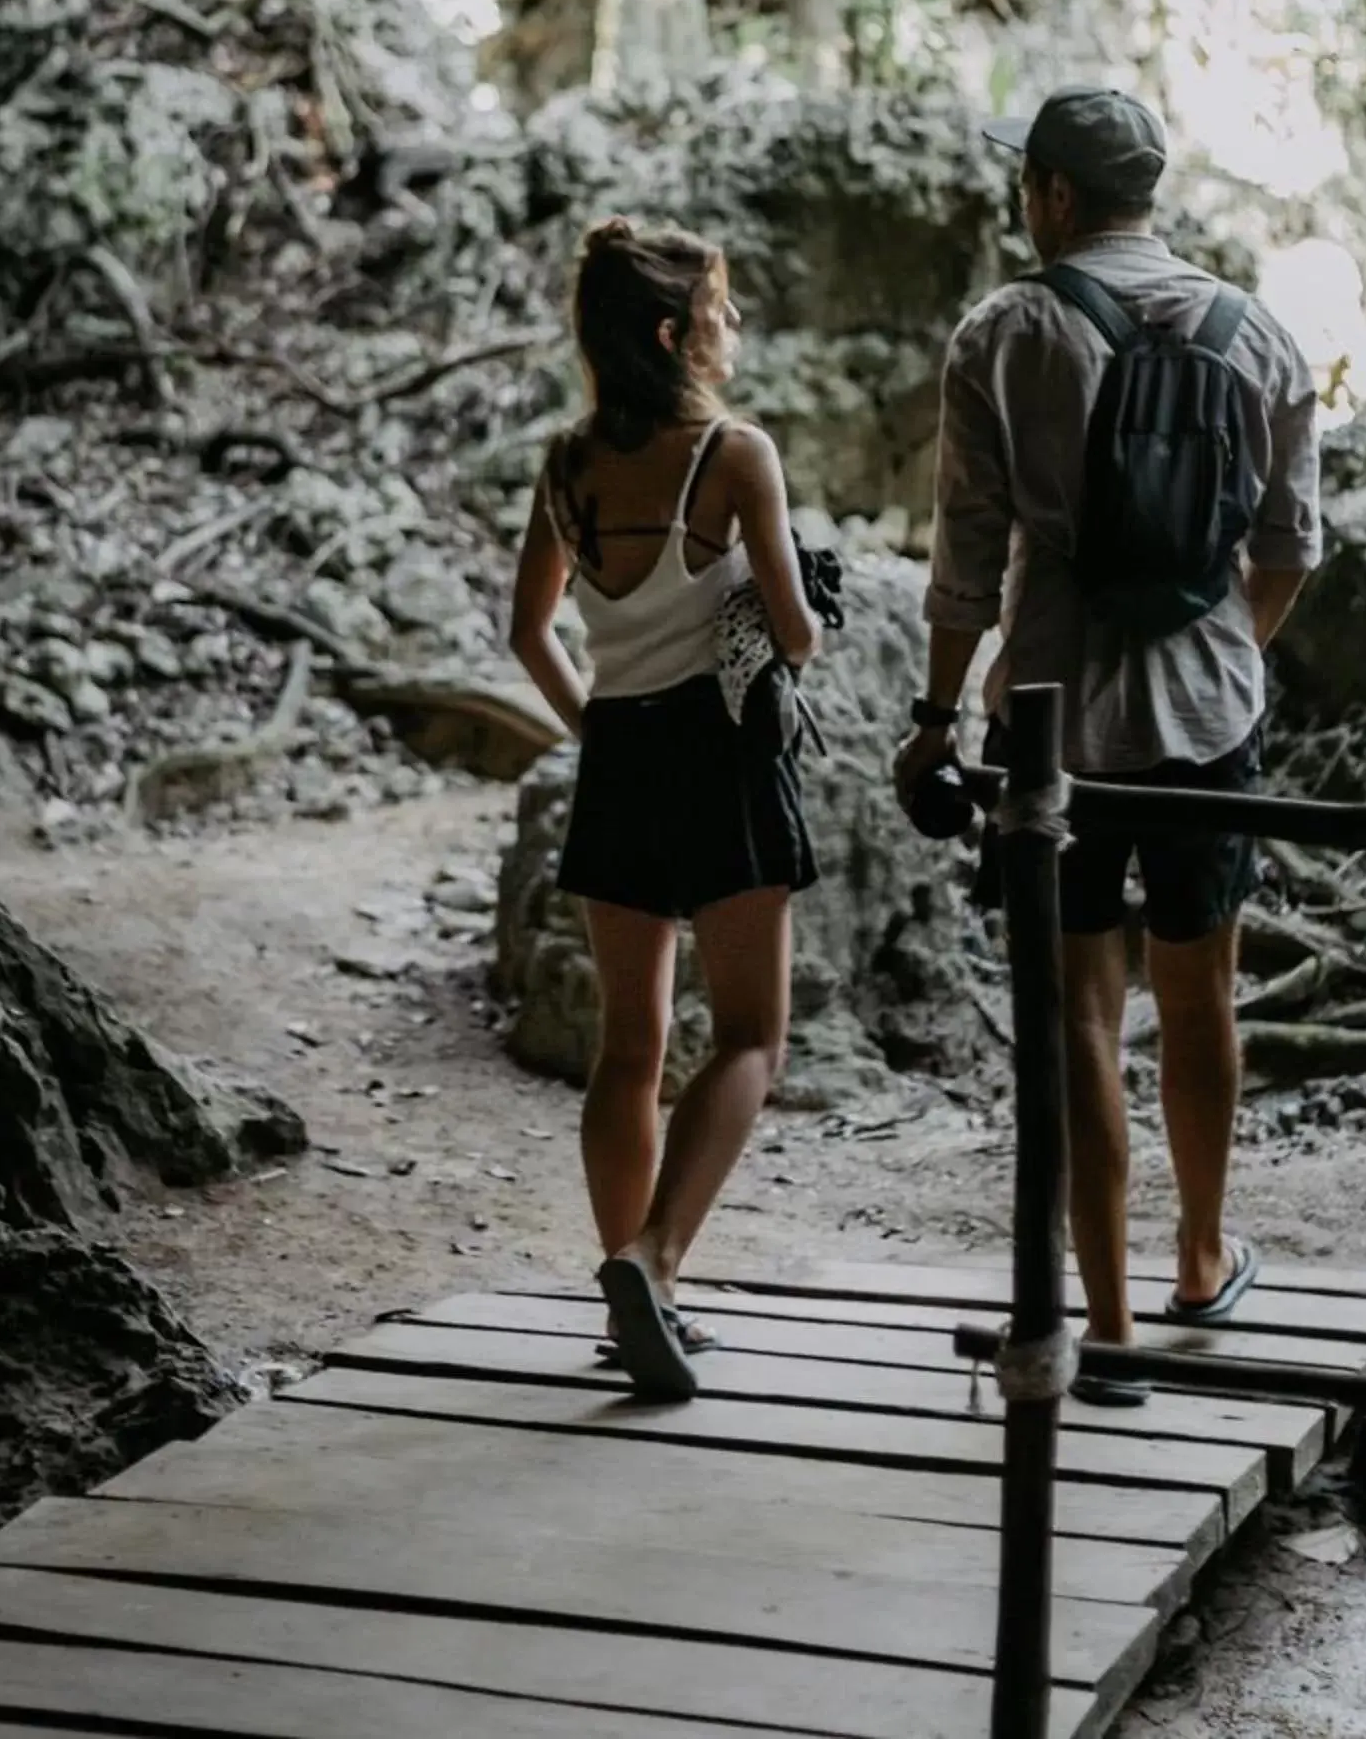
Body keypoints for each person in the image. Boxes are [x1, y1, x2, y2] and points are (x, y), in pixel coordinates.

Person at [893, 86, 1321, 1395]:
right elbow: (1291, 546)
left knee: (1081, 1011)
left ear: (1057, 197)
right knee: (1201, 989)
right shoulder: (1260, 336)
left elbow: (967, 558)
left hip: (1052, 724)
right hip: (1207, 716)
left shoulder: (1007, 332)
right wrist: (1225, 648)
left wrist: (935, 716)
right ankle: (1201, 1255)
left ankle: (1113, 1326)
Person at [508, 216, 822, 1403]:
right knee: (749, 1035)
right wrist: (779, 595)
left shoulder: (565, 465)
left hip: (622, 758)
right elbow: (793, 636)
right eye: (718, 312)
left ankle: (629, 1293)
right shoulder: (734, 455)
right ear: (668, 332)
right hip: (724, 756)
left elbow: (527, 630)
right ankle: (657, 1256)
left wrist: (596, 727)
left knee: (628, 1048)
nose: (730, 328)